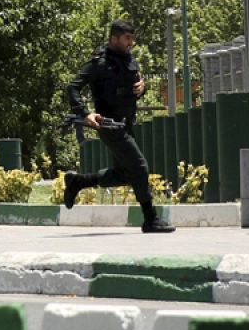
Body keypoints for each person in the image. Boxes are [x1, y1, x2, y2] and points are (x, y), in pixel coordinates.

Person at [60, 20, 175, 234]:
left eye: (132, 38)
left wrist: (142, 86)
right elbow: (73, 87)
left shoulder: (128, 59)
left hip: (127, 123)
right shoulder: (99, 63)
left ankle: (77, 182)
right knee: (140, 167)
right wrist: (85, 114)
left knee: (125, 174)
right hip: (109, 125)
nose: (131, 42)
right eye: (127, 38)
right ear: (114, 38)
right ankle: (151, 219)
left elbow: (135, 82)